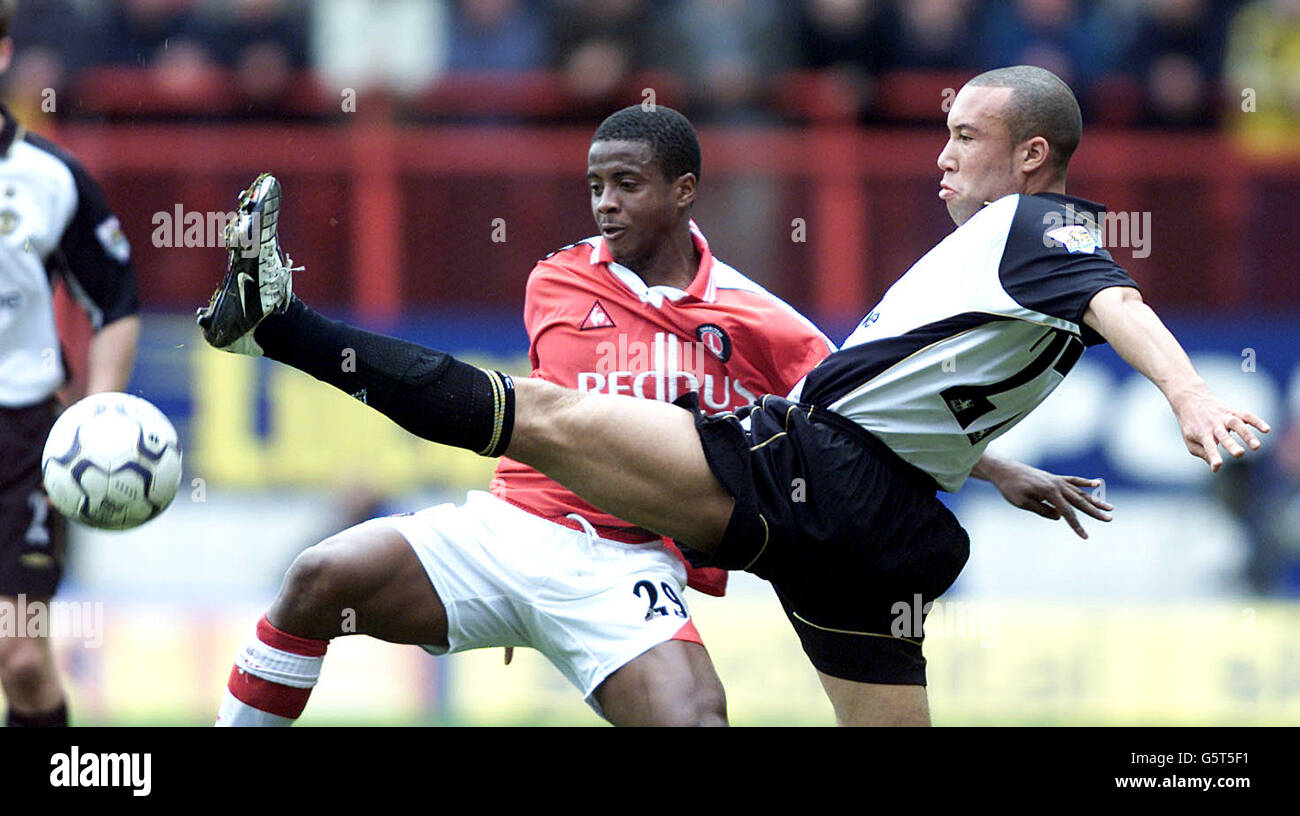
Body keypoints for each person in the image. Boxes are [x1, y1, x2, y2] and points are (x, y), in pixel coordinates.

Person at [199, 75, 1155, 725]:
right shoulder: (555, 279)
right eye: (594, 187)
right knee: (321, 576)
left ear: (684, 192)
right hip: (512, 533)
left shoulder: (753, 316)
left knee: (696, 716)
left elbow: (865, 412)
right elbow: (479, 403)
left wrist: (998, 469)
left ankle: (282, 322)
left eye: (626, 185)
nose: (604, 205)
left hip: (630, 568)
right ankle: (280, 322)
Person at [0, 0, 140, 727]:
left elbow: (115, 298)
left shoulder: (51, 176)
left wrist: (101, 412)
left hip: (20, 436)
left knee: (20, 657)